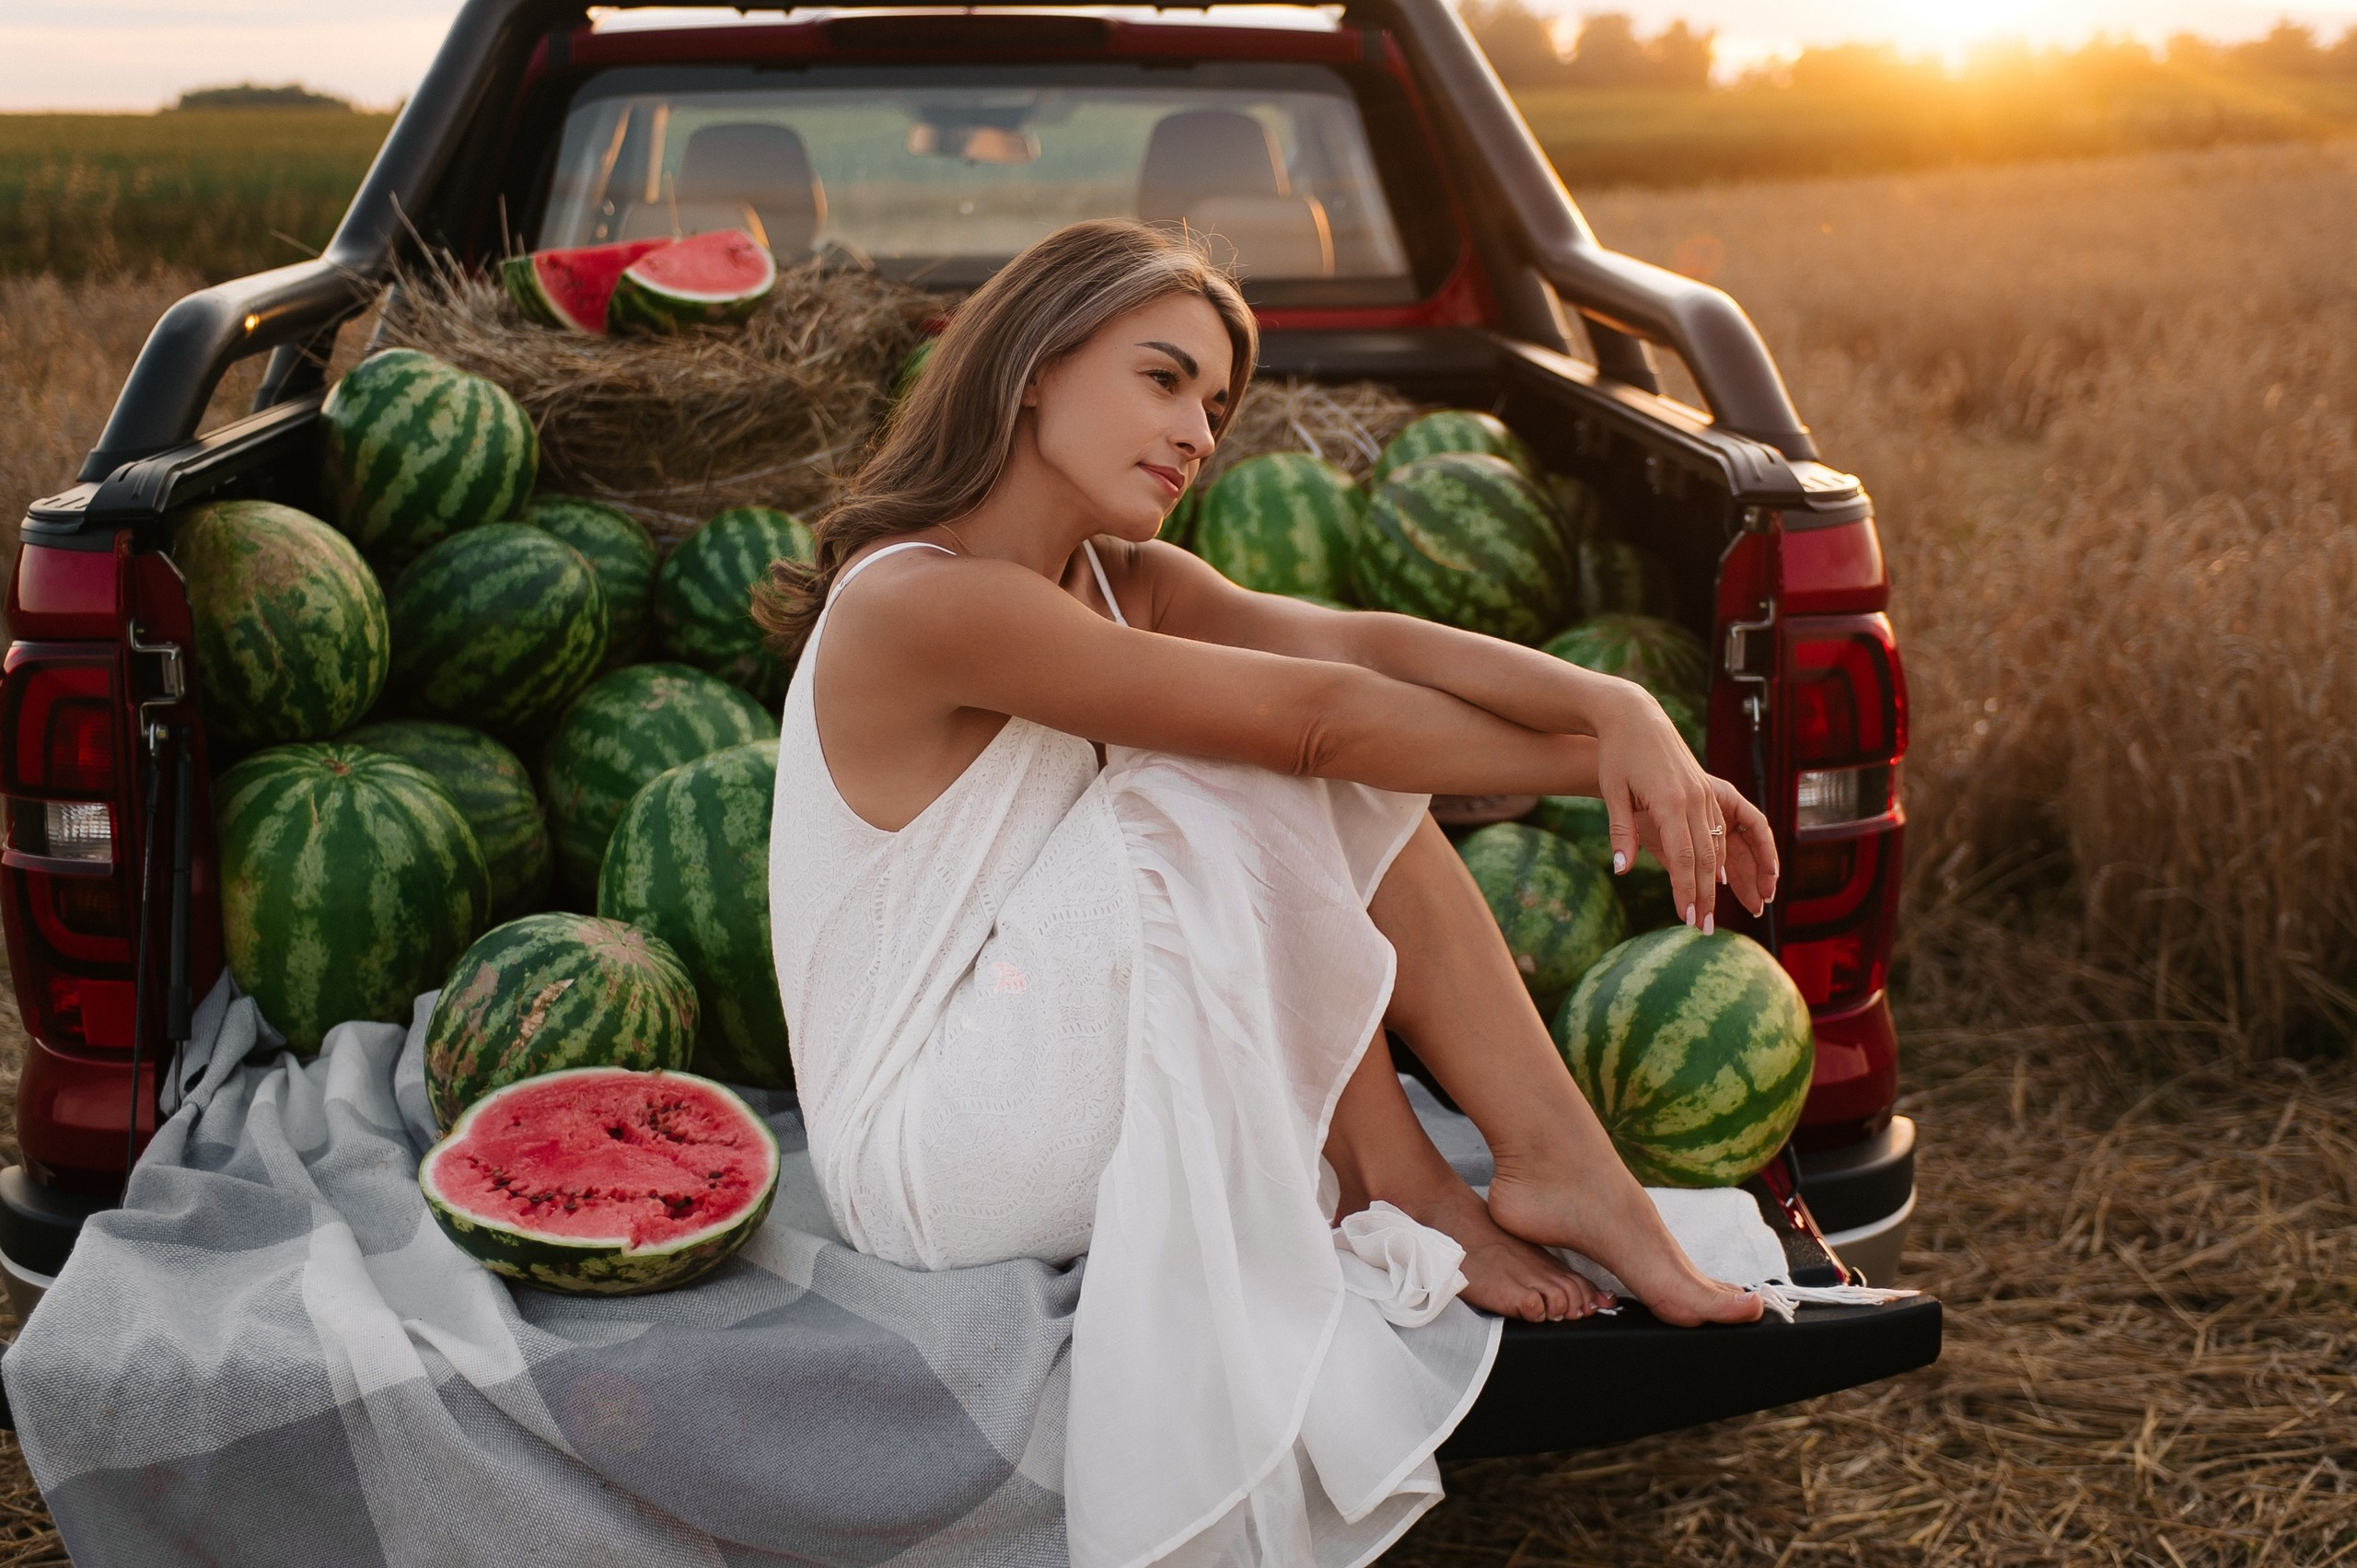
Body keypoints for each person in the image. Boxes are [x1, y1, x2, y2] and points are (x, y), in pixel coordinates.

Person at [760, 218, 1780, 1568]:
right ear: (1031, 370)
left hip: (1040, 1070)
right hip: (930, 1161)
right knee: (1254, 761)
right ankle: (1399, 1176)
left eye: (1219, 406)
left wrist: (1617, 706)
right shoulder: (925, 602)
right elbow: (1316, 723)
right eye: (1164, 378)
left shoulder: (1123, 584)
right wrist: (1617, 771)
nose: (1198, 432)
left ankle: (1551, 1167)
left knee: (1291, 759)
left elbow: (1362, 644)